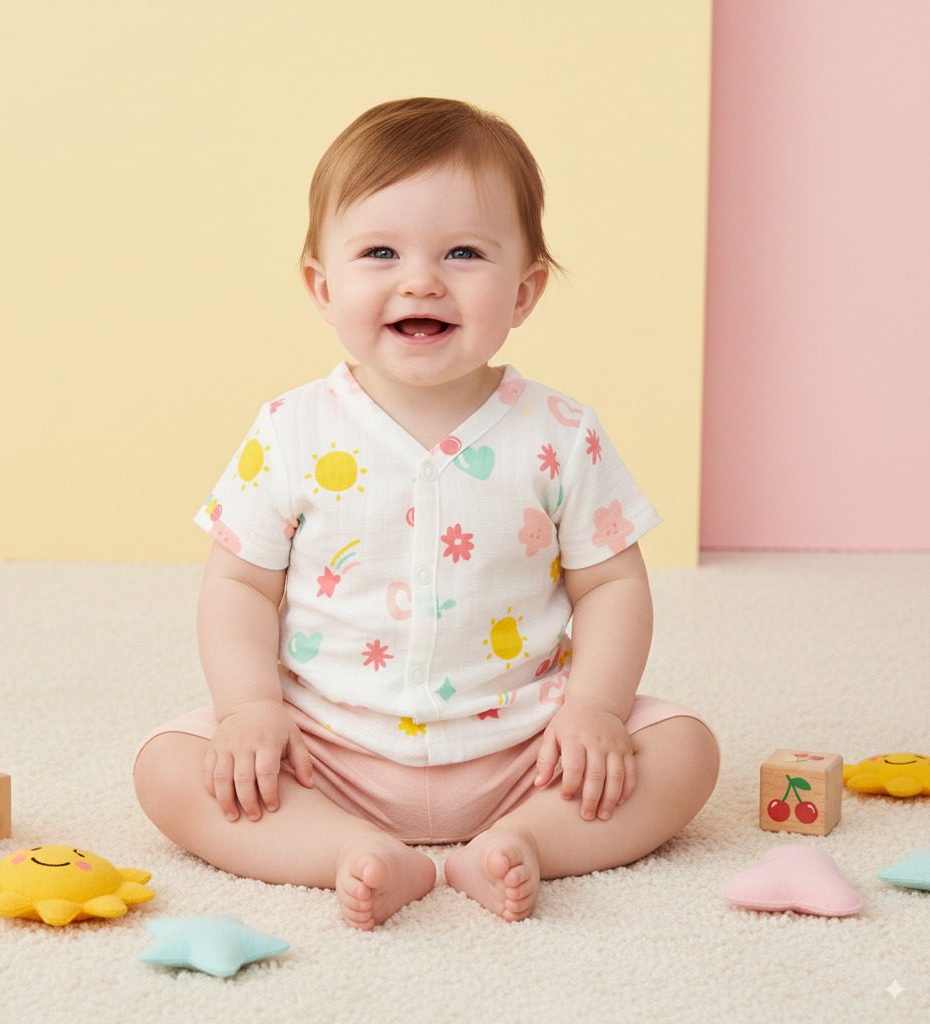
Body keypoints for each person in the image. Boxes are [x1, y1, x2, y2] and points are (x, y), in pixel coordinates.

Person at [133, 97, 720, 930]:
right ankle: (347, 850)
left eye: (463, 253)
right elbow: (238, 584)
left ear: (523, 292)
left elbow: (612, 586)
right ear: (322, 286)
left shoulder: (560, 433)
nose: (421, 279)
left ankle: (522, 843)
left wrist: (592, 709)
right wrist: (249, 710)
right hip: (330, 746)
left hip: (525, 743)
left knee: (685, 751)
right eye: (380, 252)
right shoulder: (291, 430)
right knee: (169, 767)